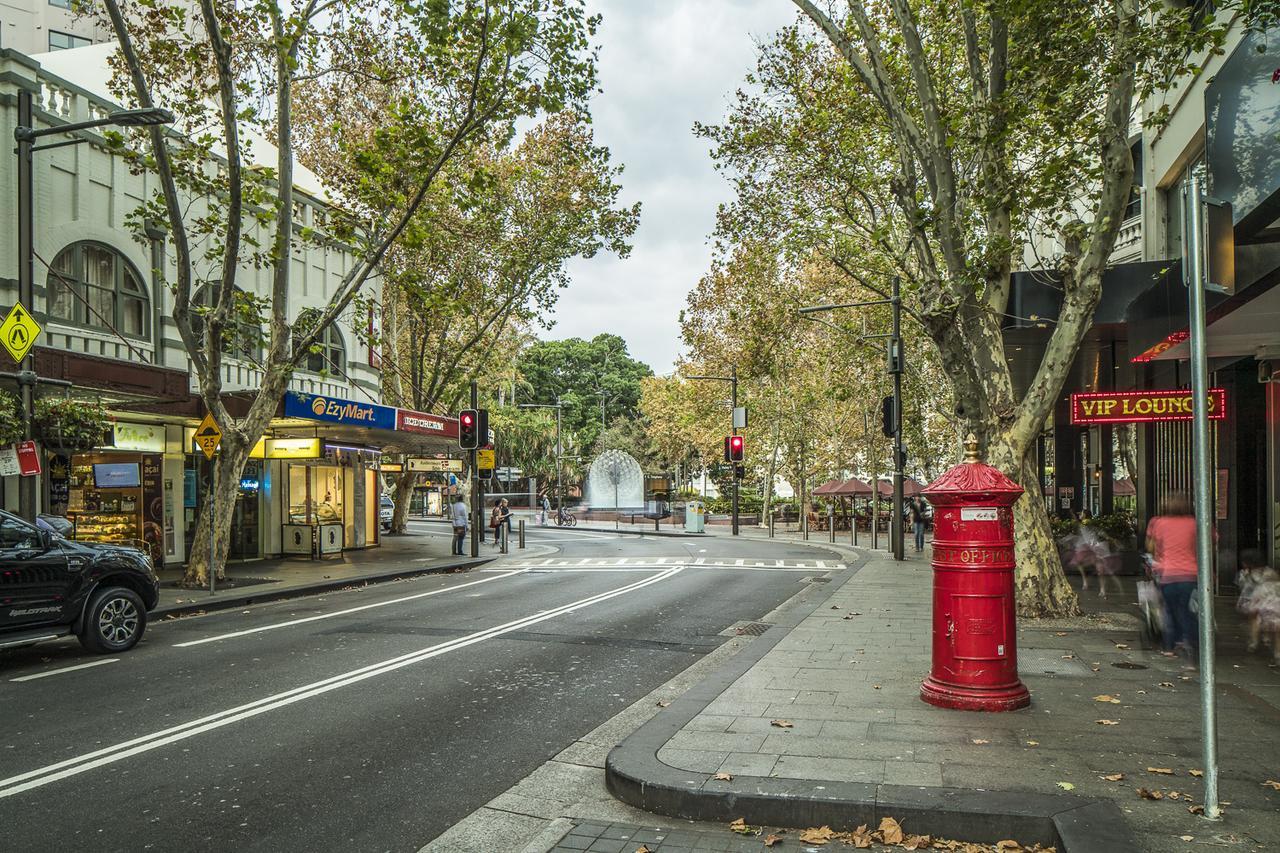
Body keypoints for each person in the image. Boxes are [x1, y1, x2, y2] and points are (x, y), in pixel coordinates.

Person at [1145, 492, 1202, 658]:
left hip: (1167, 574)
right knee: (1188, 611)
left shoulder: (1159, 523)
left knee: (1169, 611)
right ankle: (1189, 643)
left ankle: (1169, 646)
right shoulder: (1194, 523)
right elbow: (1210, 542)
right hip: (1190, 575)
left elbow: (1150, 547)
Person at [1237, 549, 1280, 660]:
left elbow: (1244, 588)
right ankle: (1275, 649)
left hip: (1258, 602)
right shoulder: (1270, 571)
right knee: (1275, 626)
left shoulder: (1249, 573)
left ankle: (1254, 642)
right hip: (1274, 602)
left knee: (1254, 619)